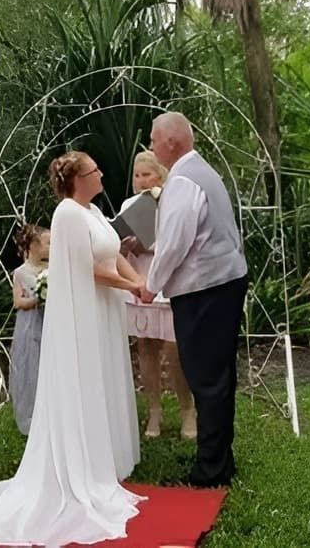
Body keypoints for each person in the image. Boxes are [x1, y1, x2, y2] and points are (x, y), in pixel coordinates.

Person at [0, 151, 146, 546]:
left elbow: (113, 254)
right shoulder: (67, 215)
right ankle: (83, 468)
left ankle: (108, 458)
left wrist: (142, 281)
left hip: (105, 310)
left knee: (108, 378)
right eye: (94, 170)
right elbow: (88, 268)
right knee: (86, 381)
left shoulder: (95, 213)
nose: (101, 173)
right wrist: (132, 287)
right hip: (85, 313)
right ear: (77, 179)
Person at [138, 112, 248, 488]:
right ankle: (220, 457)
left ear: (171, 142)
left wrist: (151, 285)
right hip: (224, 282)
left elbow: (173, 243)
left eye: (154, 139)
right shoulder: (205, 171)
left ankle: (211, 469)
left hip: (205, 289)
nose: (151, 146)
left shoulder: (183, 181)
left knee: (206, 378)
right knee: (218, 376)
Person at [122, 151, 195, 439]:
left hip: (167, 285)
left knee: (175, 351)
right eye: (137, 175)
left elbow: (179, 241)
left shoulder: (171, 202)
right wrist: (126, 245)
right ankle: (154, 410)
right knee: (146, 348)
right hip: (140, 281)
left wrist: (147, 246)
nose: (141, 181)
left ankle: (187, 410)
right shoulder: (130, 205)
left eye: (147, 175)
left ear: (161, 175)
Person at [9, 223, 50, 435]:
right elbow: (18, 302)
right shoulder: (21, 273)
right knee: (32, 366)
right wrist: (38, 299)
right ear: (33, 246)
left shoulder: (51, 269)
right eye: (48, 243)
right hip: (31, 326)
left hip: (50, 323)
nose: (52, 247)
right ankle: (32, 412)